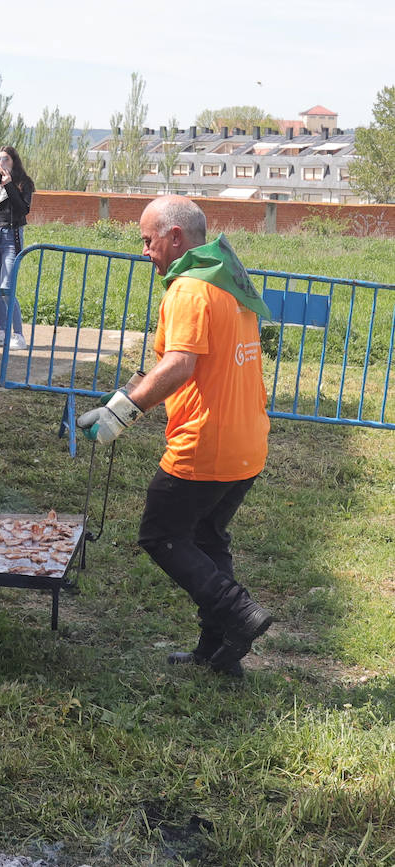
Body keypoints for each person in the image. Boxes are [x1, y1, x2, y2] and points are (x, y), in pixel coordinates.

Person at [77, 195, 273, 677]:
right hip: (248, 443)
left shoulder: (189, 288)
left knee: (161, 534)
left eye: (148, 240)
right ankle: (218, 648)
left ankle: (239, 612)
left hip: (206, 443)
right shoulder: (229, 281)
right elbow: (182, 362)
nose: (145, 250)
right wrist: (123, 394)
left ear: (175, 237)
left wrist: (121, 414)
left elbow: (181, 364)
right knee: (206, 537)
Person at [0, 145, 34, 351]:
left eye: (6, 159)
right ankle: (3, 331)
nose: (2, 163)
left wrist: (10, 184)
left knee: (6, 288)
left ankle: (18, 334)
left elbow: (23, 209)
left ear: (14, 161)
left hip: (12, 236)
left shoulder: (23, 183)